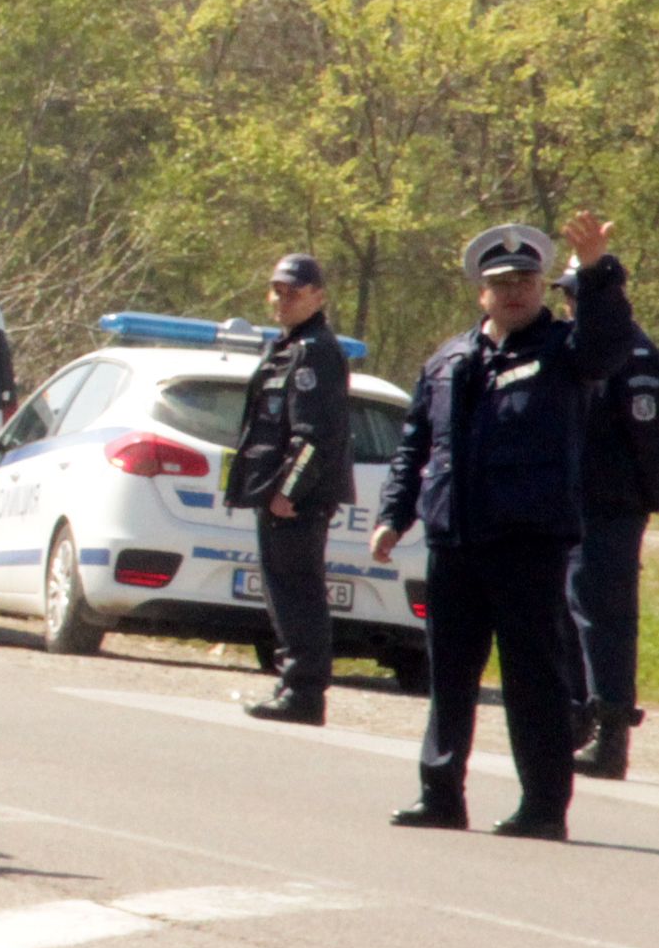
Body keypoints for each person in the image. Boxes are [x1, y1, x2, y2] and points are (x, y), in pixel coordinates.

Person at [371, 214, 633, 839]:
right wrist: (393, 515)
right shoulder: (449, 359)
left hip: (527, 541)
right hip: (455, 539)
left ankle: (543, 806)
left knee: (533, 679)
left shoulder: (565, 351)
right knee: (449, 676)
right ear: (481, 292)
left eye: (526, 281)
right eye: (503, 283)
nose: (516, 292)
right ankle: (440, 795)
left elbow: (608, 345)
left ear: (542, 287)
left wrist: (598, 270)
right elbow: (416, 445)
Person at [235, 253, 353, 725]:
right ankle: (293, 685)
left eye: (294, 293)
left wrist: (290, 490)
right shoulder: (288, 346)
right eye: (277, 291)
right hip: (276, 494)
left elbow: (316, 434)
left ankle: (303, 691)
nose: (282, 300)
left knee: (297, 593)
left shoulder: (315, 351)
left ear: (318, 297)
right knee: (283, 593)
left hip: (296, 500)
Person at [568, 272, 659, 780]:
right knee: (574, 613)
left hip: (611, 507)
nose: (569, 306)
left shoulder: (633, 355)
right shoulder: (584, 351)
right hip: (578, 504)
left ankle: (610, 737)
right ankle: (578, 721)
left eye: (576, 296)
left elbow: (648, 439)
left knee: (604, 618)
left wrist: (640, 499)